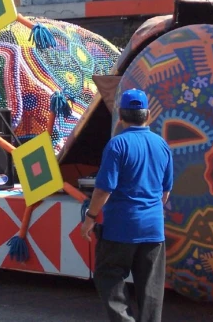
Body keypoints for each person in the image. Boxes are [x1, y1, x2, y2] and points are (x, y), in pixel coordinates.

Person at [81, 89, 174, 322]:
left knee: (108, 275)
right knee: (151, 289)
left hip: (120, 228)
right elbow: (166, 190)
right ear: (148, 115)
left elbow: (103, 189)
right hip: (153, 230)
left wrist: (90, 217)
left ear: (120, 116)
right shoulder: (161, 145)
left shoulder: (117, 145)